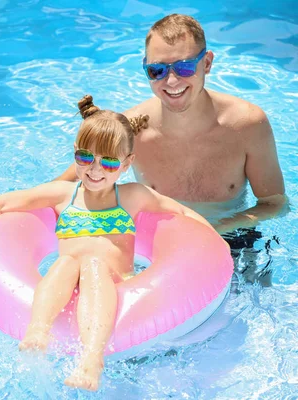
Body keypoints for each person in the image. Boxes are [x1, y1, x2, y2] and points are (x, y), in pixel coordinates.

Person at [0, 95, 216, 391]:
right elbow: (1, 204)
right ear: (75, 153)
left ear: (126, 164)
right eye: (86, 158)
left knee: (93, 264)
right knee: (69, 261)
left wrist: (215, 247)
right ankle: (38, 332)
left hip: (116, 283)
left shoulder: (132, 196)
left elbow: (181, 213)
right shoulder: (62, 196)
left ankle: (92, 360)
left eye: (109, 162)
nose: (96, 170)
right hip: (67, 282)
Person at [55, 14, 287, 284]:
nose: (172, 81)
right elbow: (69, 184)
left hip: (233, 240)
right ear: (146, 69)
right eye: (158, 70)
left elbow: (275, 205)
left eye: (185, 67)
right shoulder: (130, 129)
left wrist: (216, 227)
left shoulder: (246, 125)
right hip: (155, 246)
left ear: (207, 63)